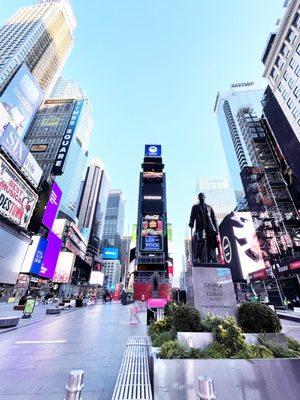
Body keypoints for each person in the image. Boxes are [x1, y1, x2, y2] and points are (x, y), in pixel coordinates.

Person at [189, 192, 218, 263]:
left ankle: (210, 257)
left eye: (202, 196)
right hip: (200, 227)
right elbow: (192, 216)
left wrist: (216, 228)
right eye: (200, 196)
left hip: (210, 227)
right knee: (201, 241)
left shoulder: (209, 207)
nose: (201, 197)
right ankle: (198, 256)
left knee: (210, 243)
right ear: (198, 198)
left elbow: (214, 218)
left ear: (205, 197)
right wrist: (191, 223)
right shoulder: (195, 207)